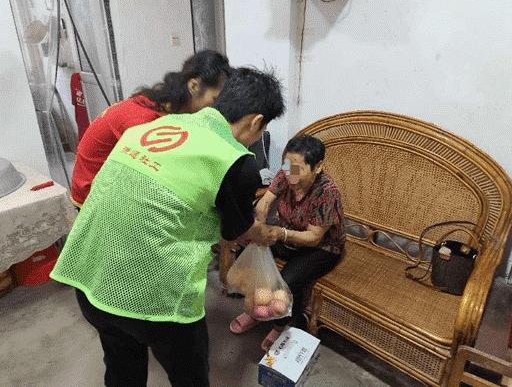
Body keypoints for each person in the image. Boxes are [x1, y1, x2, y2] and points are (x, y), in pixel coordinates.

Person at [50, 67, 285, 387]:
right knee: (189, 378)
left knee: (122, 370)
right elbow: (237, 231)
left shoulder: (156, 126)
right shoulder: (234, 161)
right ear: (256, 122)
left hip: (88, 278)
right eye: (262, 129)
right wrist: (270, 234)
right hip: (154, 302)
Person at [70, 50, 232, 207]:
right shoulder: (146, 120)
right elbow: (153, 177)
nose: (216, 108)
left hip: (107, 179)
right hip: (91, 192)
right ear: (194, 86)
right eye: (214, 100)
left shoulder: (162, 104)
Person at [229, 135, 345, 351]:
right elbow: (265, 201)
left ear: (318, 166)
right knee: (249, 247)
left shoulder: (327, 192)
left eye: (298, 168)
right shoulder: (287, 172)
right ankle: (255, 311)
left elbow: (314, 237)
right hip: (288, 235)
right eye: (287, 165)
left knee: (289, 281)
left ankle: (279, 325)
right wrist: (260, 222)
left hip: (321, 248)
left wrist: (280, 233)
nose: (290, 172)